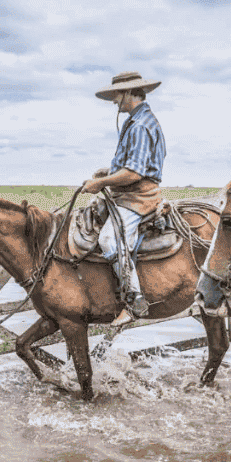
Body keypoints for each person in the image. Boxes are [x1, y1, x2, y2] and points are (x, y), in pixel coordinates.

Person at [83, 71, 167, 325]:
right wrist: (109, 173)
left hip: (138, 196)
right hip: (130, 192)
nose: (114, 101)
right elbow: (132, 166)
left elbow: (134, 173)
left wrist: (100, 182)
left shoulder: (140, 126)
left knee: (109, 240)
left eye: (116, 95)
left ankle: (135, 300)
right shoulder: (137, 121)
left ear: (131, 93)